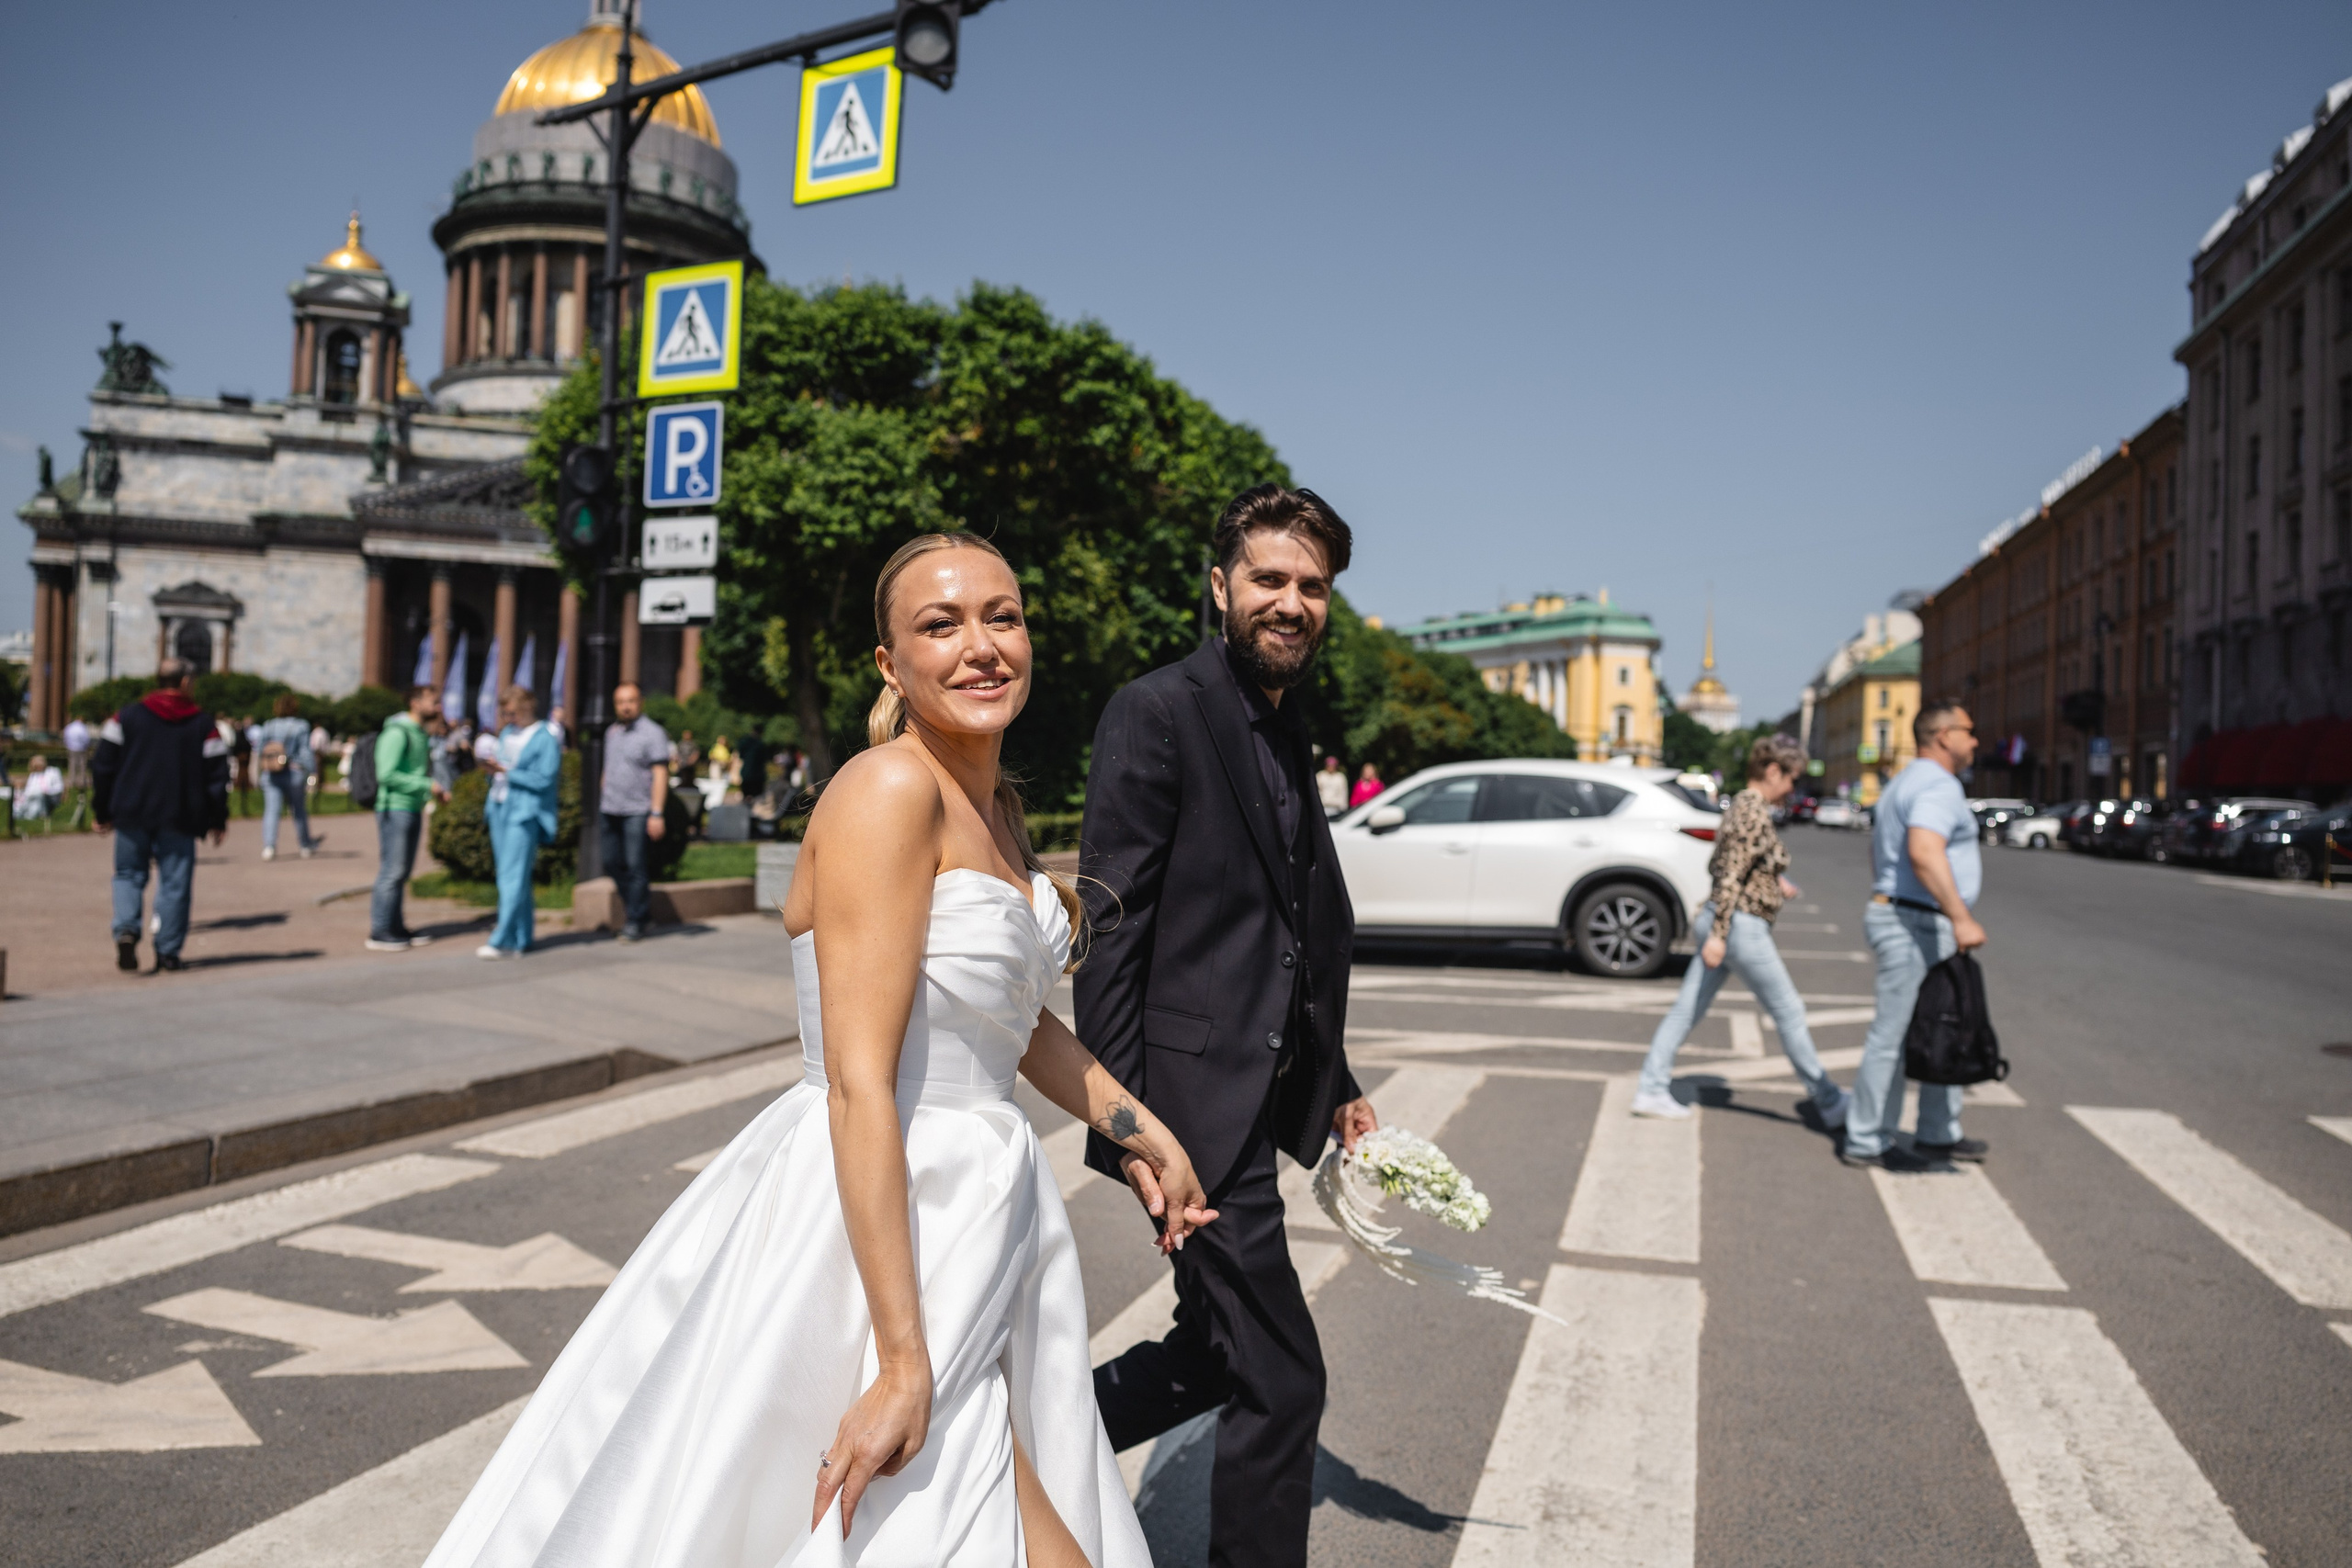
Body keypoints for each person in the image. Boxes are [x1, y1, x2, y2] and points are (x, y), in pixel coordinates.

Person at [424, 532, 1211, 1568]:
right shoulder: (888, 791)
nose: (981, 646)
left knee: (988, 1512)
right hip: (885, 1210)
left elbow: (1006, 1024)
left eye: (1002, 617)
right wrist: (901, 1357)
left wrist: (1140, 1129)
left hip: (976, 1206)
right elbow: (857, 1082)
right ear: (890, 664)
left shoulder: (995, 808)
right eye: (941, 625)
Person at [1079, 484, 1376, 1568]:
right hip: (1189, 1118)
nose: (1291, 602)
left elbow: (1278, 925)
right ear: (1219, 587)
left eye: (1313, 586)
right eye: (1269, 579)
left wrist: (1333, 1077)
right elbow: (1110, 935)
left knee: (1216, 1356)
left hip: (1252, 1098)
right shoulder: (1158, 710)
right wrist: (1129, 1132)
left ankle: (1007, 1445)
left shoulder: (1285, 724)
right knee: (1281, 1378)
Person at [1632, 733, 1852, 1126]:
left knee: (1688, 1009)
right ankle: (1830, 1101)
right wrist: (1719, 935)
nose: (1793, 788)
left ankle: (1650, 1088)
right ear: (1773, 771)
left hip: (1727, 922)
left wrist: (1774, 881)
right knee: (1788, 1011)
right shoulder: (1752, 811)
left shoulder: (1742, 806)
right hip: (1739, 927)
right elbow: (1729, 875)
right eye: (1792, 778)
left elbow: (1728, 865)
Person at [1842, 698, 1989, 1168]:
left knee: (1942, 1023)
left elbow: (1879, 853)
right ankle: (1867, 1139)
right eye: (1968, 730)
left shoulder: (1902, 782)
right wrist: (1960, 916)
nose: (1975, 740)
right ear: (1944, 736)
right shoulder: (1939, 785)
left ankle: (1938, 1131)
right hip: (1916, 921)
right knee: (1895, 1035)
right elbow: (1924, 851)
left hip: (1907, 913)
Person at [93, 659, 229, 974]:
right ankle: (168, 952)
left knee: (128, 874)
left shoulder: (126, 717)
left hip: (131, 811)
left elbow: (102, 765)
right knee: (175, 883)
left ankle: (126, 930)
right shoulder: (203, 724)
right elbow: (217, 777)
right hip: (181, 813)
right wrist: (217, 818)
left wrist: (103, 810)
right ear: (184, 682)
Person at [476, 686, 560, 959]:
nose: (508, 718)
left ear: (527, 708)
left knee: (511, 876)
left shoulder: (544, 737)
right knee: (513, 876)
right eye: (504, 713)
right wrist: (491, 769)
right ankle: (521, 938)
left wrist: (508, 772)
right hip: (499, 806)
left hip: (524, 812)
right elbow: (501, 769)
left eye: (512, 712)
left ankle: (502, 938)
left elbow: (545, 779)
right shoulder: (507, 733)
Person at [370, 684, 447, 953]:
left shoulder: (419, 732)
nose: (437, 707)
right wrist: (427, 785)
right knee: (392, 871)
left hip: (411, 806)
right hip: (394, 808)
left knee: (401, 871)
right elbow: (386, 774)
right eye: (432, 702)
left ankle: (396, 926)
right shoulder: (397, 732)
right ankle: (380, 930)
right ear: (415, 703)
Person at [599, 682, 671, 942]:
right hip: (610, 808)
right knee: (610, 862)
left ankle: (636, 920)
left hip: (638, 810)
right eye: (620, 702)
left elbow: (660, 774)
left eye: (630, 701)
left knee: (635, 866)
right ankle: (638, 911)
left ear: (640, 702)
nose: (625, 707)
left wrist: (656, 813)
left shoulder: (653, 733)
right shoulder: (612, 732)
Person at [253, 694, 323, 862]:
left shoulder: (269, 725)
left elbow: (260, 750)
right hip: (294, 771)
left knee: (272, 810)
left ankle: (269, 846)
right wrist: (312, 772)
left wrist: (258, 772)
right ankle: (304, 845)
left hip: (271, 773)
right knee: (298, 810)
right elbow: (305, 752)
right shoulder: (300, 726)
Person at [12, 755, 63, 823]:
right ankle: (26, 814)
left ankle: (22, 812)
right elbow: (29, 788)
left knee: (36, 796)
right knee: (27, 796)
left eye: (39, 766)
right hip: (34, 796)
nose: (38, 768)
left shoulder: (53, 771)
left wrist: (47, 791)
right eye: (36, 767)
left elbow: (59, 788)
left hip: (50, 796)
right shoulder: (34, 775)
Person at [62, 715, 92, 792]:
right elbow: (86, 739)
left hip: (71, 748)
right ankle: (81, 782)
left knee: (72, 764)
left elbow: (65, 737)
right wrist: (86, 746)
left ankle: (72, 781)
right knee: (82, 765)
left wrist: (68, 745)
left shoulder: (70, 727)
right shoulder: (82, 727)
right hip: (81, 748)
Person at [1316, 752, 1349, 817]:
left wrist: (1344, 806)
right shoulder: (1320, 775)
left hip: (1336, 807)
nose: (1331, 767)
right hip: (1323, 806)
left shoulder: (1340, 777)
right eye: (1329, 765)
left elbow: (1343, 792)